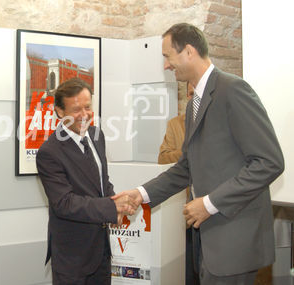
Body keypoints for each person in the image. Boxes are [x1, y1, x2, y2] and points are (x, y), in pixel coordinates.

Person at [114, 23, 284, 284]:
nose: (166, 66)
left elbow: (269, 162)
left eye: (168, 56)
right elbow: (186, 168)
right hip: (210, 244)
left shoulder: (234, 90)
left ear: (189, 52)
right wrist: (141, 194)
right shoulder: (196, 103)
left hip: (235, 243)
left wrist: (209, 203)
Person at [37, 78, 135, 285]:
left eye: (88, 107)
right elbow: (65, 203)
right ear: (60, 112)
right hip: (72, 256)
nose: (84, 115)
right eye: (76, 110)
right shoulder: (49, 152)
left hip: (101, 251)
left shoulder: (97, 135)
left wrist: (117, 204)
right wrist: (110, 206)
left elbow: (101, 181)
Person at [158, 82, 199, 285]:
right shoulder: (176, 124)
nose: (192, 99)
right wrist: (188, 154)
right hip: (185, 213)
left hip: (214, 210)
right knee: (189, 272)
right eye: (190, 94)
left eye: (196, 94)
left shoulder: (218, 122)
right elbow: (163, 157)